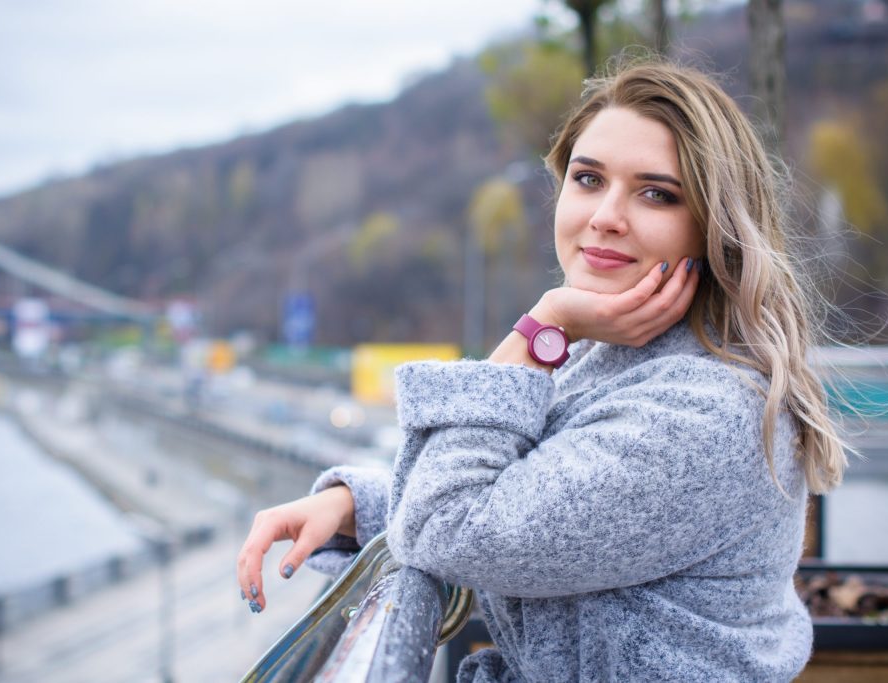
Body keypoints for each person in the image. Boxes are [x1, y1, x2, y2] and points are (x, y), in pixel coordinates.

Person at [236, 59, 848, 682]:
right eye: (588, 179)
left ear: (715, 227)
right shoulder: (621, 353)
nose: (606, 215)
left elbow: (448, 524)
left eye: (656, 193)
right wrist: (353, 506)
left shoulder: (707, 411)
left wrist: (542, 327)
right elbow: (530, 491)